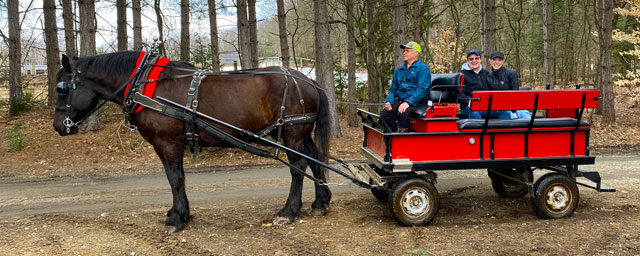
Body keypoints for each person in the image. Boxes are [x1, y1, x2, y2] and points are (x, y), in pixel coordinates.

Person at [379, 41, 431, 132]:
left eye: (408, 50)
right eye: (404, 51)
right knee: (384, 115)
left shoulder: (423, 69)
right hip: (400, 101)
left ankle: (402, 139)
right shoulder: (399, 70)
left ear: (416, 53)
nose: (404, 52)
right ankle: (389, 141)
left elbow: (422, 90)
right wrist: (389, 102)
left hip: (417, 102)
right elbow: (392, 89)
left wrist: (408, 103)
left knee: (404, 113)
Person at [459, 49, 512, 119]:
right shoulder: (461, 75)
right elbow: (458, 94)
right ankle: (476, 130)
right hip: (468, 106)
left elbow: (492, 90)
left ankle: (504, 129)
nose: (474, 61)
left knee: (505, 111)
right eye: (471, 59)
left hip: (486, 105)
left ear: (480, 59)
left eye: (476, 58)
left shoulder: (486, 74)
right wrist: (468, 100)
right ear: (467, 61)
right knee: (475, 112)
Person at [487, 51, 531, 119]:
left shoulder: (511, 73)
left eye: (499, 60)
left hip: (515, 106)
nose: (496, 62)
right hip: (500, 108)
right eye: (494, 60)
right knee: (510, 117)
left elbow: (515, 94)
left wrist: (514, 110)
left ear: (503, 62)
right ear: (490, 61)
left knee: (525, 116)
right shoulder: (489, 77)